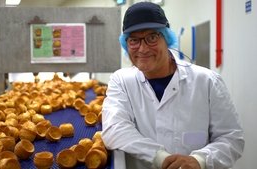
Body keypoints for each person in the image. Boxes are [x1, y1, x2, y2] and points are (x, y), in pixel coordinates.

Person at [101, 2, 244, 169]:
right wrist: (159, 157)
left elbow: (231, 138)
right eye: (134, 40)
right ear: (126, 44)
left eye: (152, 37)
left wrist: (200, 160)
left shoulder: (207, 81)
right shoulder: (121, 81)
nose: (143, 48)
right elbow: (114, 129)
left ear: (167, 38)